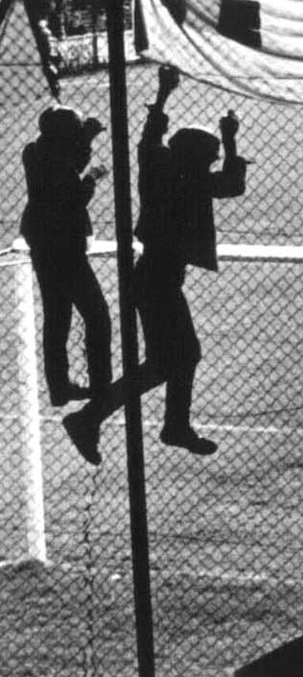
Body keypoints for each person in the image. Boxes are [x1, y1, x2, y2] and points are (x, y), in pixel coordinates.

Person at [64, 68, 245, 463]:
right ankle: (103, 419)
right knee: (176, 358)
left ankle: (119, 420)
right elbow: (232, 184)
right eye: (211, 156)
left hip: (152, 277)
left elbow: (149, 141)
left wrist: (163, 95)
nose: (213, 162)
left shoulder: (158, 170)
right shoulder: (195, 182)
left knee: (169, 360)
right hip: (158, 281)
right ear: (198, 159)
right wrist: (231, 139)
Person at [19, 105, 111, 409]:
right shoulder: (58, 161)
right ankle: (101, 384)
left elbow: (70, 157)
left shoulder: (34, 151)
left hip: (42, 240)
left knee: (57, 315)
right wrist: (94, 176)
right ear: (65, 133)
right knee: (96, 314)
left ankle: (59, 387)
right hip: (65, 246)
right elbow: (77, 194)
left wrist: (84, 135)